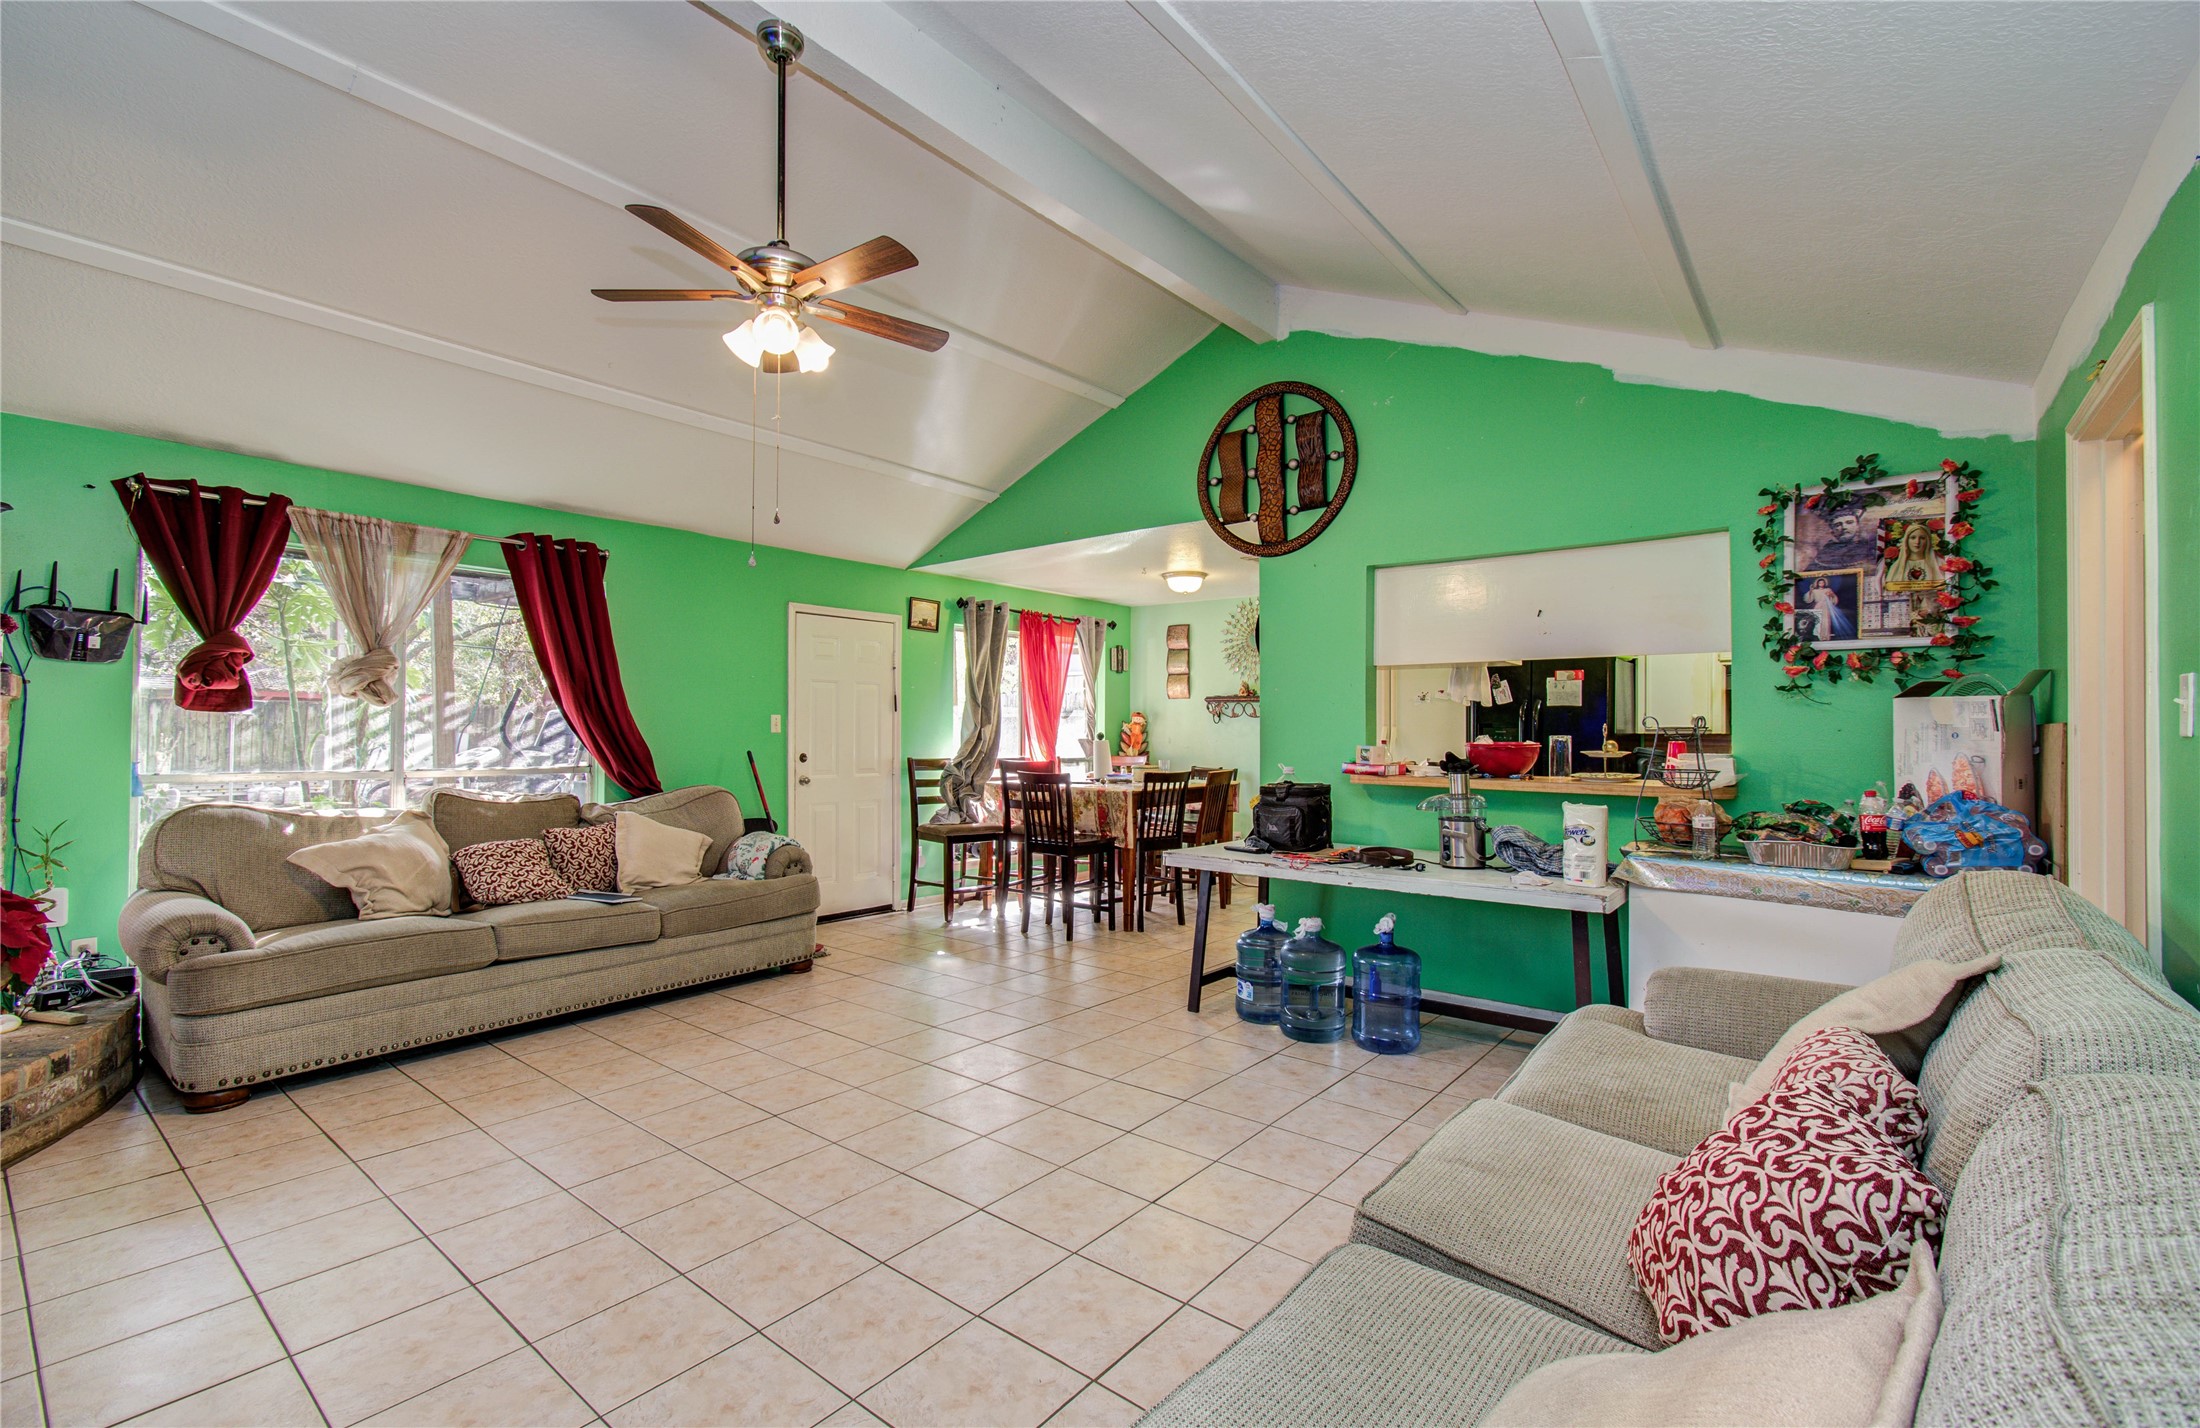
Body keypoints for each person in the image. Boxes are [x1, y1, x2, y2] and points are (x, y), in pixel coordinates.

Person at [1809, 505, 1881, 570]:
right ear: (1832, 531)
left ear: (1857, 526)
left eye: (1849, 522)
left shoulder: (1870, 548)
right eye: (1838, 525)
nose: (1844, 527)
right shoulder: (1823, 554)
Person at [1884, 521, 1943, 591]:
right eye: (1913, 538)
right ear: (1906, 540)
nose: (1917, 542)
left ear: (1928, 541)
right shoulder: (1896, 567)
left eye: (1922, 538)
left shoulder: (1939, 564)